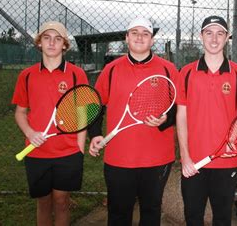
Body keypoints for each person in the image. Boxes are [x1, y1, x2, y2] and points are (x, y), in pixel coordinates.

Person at [88, 17, 178, 225]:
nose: (140, 37)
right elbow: (94, 105)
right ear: (126, 37)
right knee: (119, 213)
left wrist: (166, 119)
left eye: (145, 33)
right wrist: (95, 134)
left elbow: (179, 107)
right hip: (118, 158)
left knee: (151, 212)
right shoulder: (111, 69)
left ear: (152, 40)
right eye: (134, 33)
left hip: (157, 158)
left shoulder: (168, 69)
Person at [12, 21, 88, 226]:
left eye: (57, 38)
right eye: (47, 38)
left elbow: (83, 114)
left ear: (64, 45)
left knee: (62, 201)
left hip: (68, 151)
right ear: (39, 43)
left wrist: (80, 147)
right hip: (36, 152)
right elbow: (20, 112)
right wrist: (29, 132)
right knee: (43, 203)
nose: (52, 42)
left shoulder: (76, 74)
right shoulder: (26, 76)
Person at [176, 15, 237, 226]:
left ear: (227, 37)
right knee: (193, 217)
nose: (214, 39)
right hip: (193, 163)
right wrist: (185, 156)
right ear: (201, 36)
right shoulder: (187, 73)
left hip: (226, 160)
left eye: (220, 33)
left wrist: (231, 141)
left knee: (223, 218)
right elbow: (181, 116)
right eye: (209, 33)